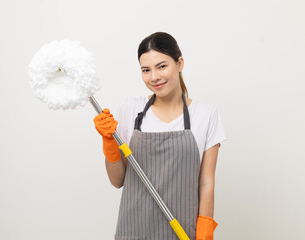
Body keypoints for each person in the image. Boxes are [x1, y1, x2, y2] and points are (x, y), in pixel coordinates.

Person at [94, 32, 227, 240]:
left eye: (162, 66)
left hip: (183, 231)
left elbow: (206, 182)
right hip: (133, 231)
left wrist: (204, 231)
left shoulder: (206, 114)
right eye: (146, 70)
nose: (154, 77)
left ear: (179, 63)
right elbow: (117, 181)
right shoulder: (130, 109)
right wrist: (109, 143)